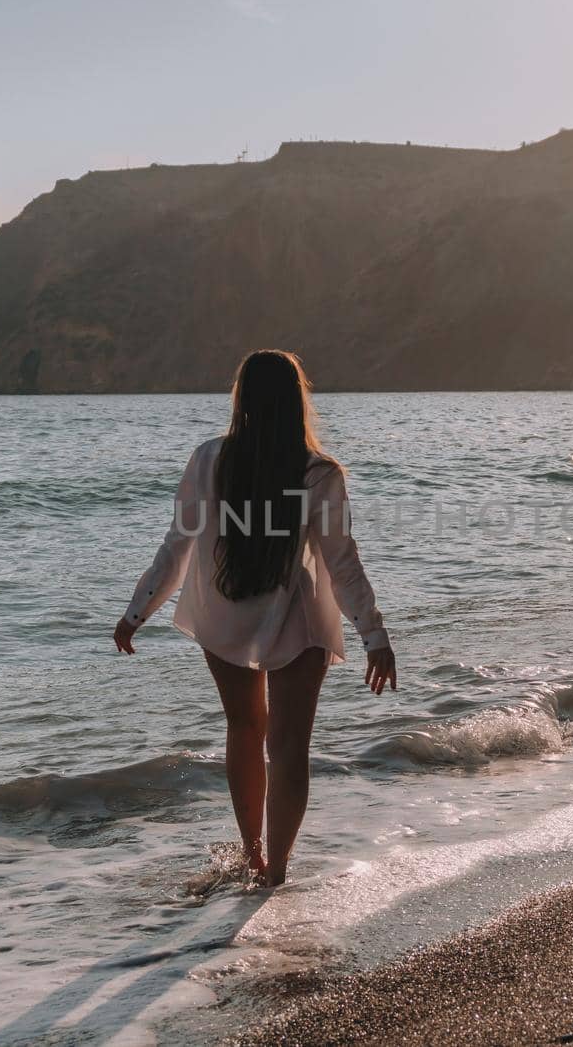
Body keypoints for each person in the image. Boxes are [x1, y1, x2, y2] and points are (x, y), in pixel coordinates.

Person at [113, 349, 398, 886]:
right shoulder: (319, 473)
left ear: (240, 398)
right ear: (297, 401)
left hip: (226, 617)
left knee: (245, 730)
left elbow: (177, 548)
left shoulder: (208, 460)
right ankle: (277, 872)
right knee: (289, 748)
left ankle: (252, 855)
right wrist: (374, 636)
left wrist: (136, 612)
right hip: (299, 620)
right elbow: (343, 564)